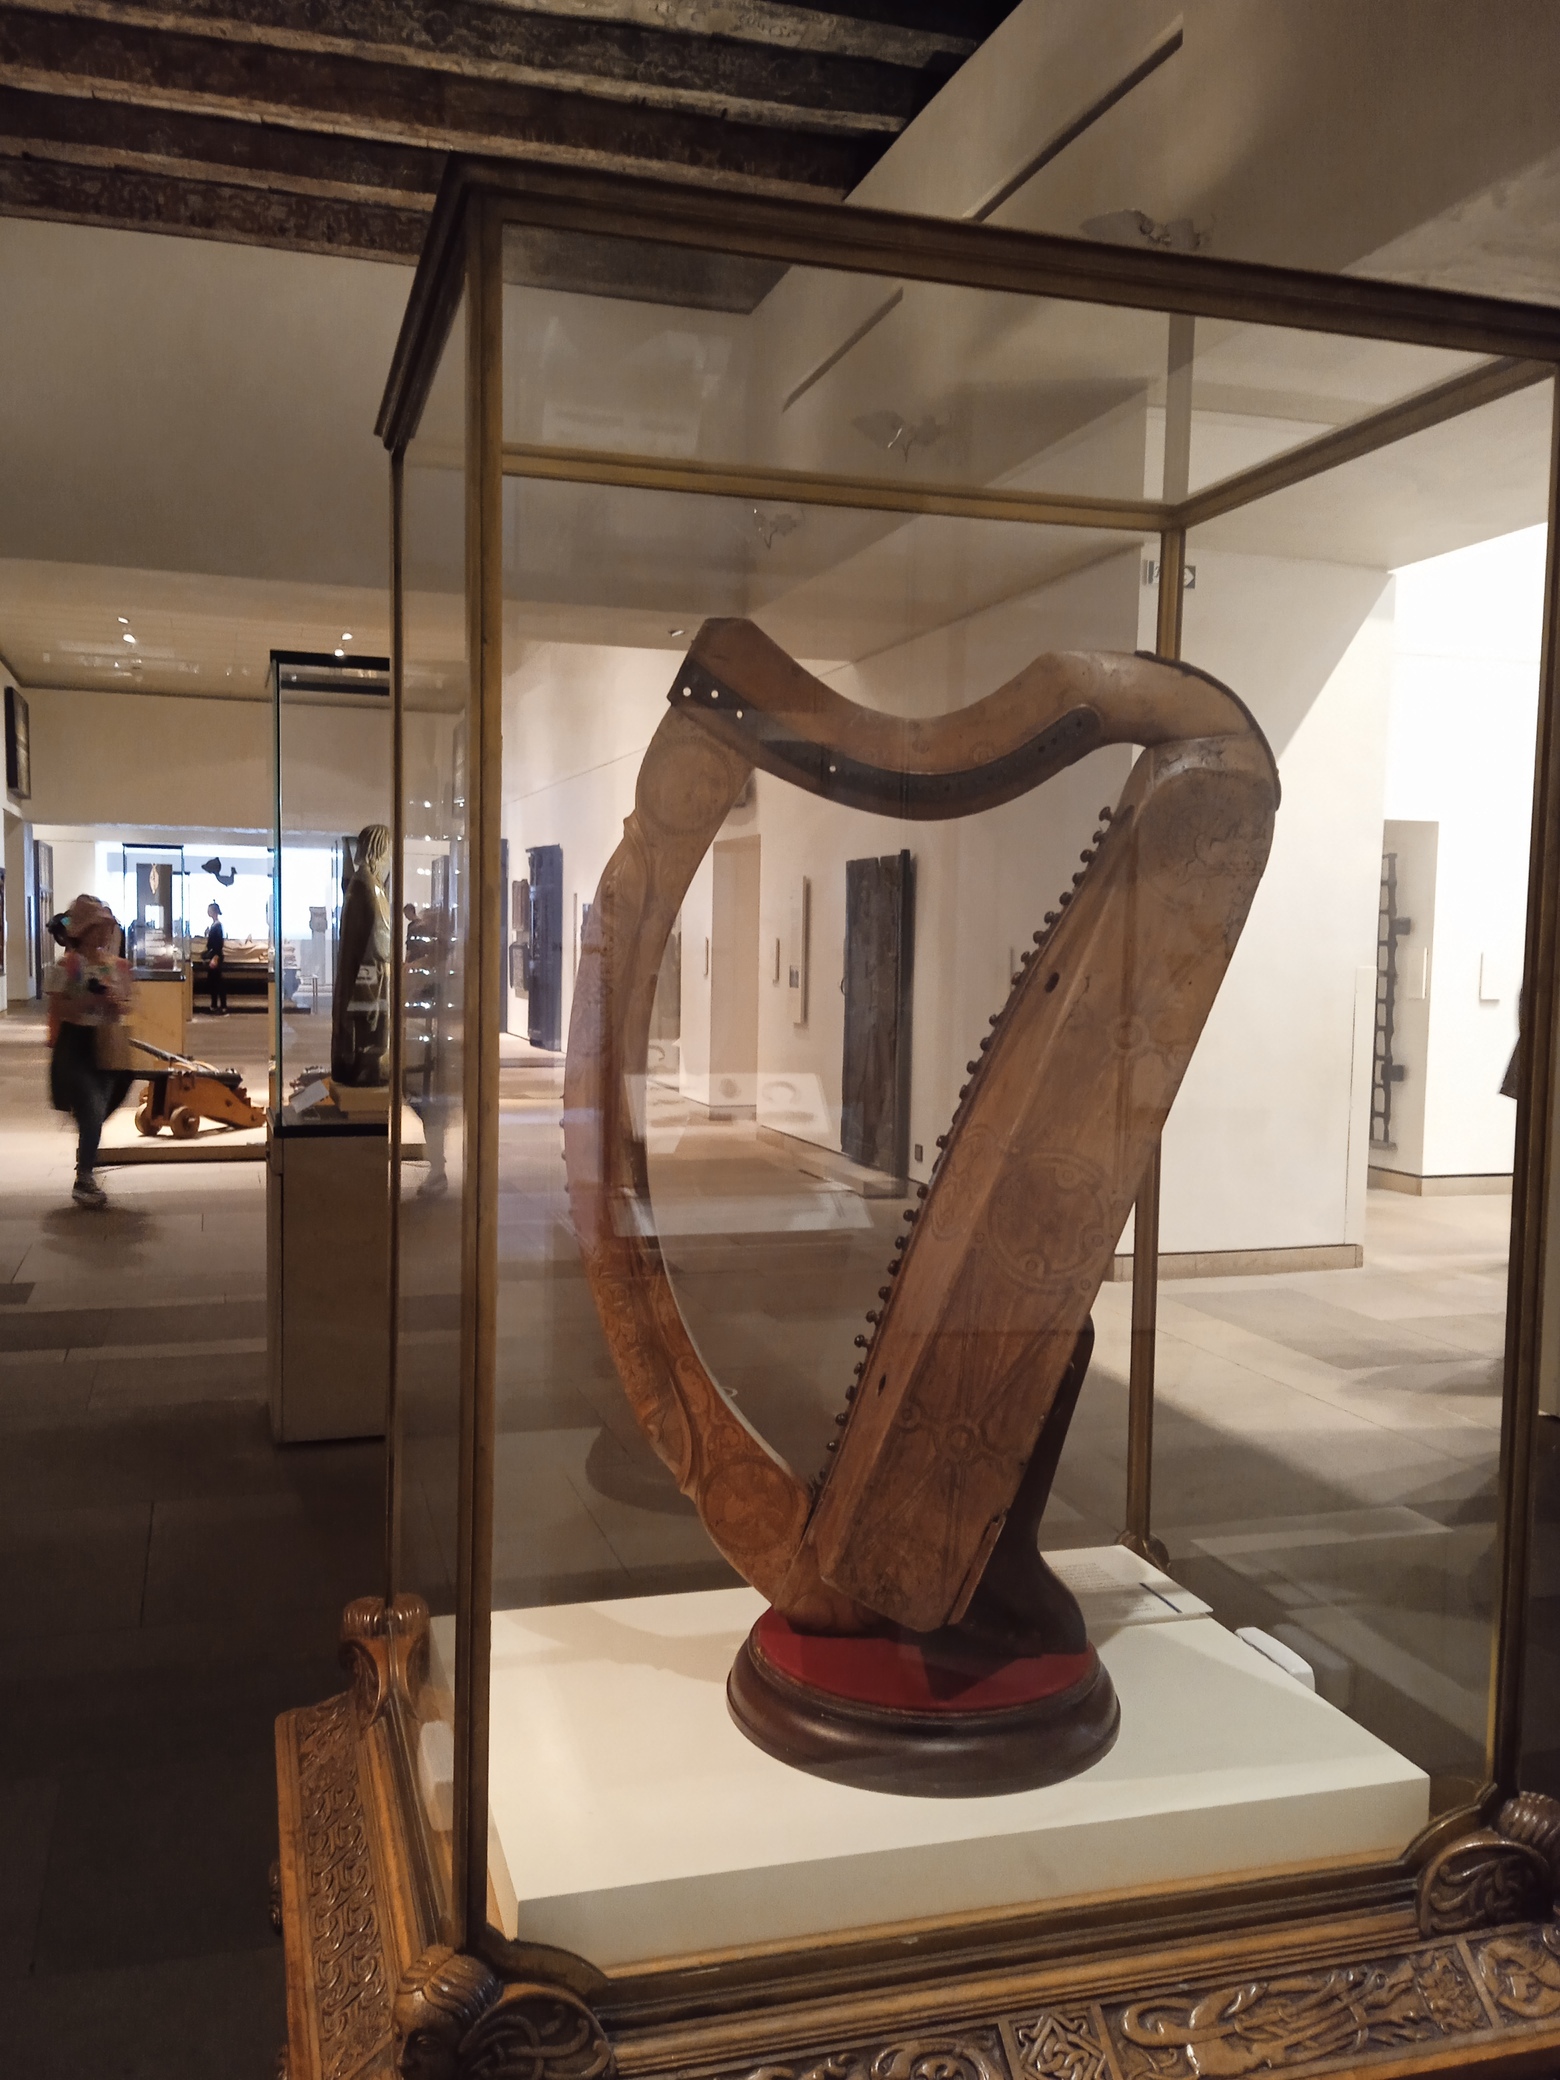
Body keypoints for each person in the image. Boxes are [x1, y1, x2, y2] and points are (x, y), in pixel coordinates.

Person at [46, 893, 135, 1209]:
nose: (106, 933)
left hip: (107, 1044)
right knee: (92, 1106)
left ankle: (87, 1145)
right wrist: (90, 1000)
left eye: (107, 927)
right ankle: (84, 1177)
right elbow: (59, 1009)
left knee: (97, 1108)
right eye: (99, 927)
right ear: (84, 930)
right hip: (76, 1045)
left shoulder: (117, 966)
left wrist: (115, 1003)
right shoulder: (67, 966)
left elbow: (128, 1005)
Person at [203, 900, 227, 1014]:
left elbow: (218, 944)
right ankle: (216, 1005)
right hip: (215, 955)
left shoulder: (217, 926)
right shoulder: (215, 926)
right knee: (214, 982)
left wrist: (215, 957)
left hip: (215, 956)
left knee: (216, 982)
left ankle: (221, 1005)